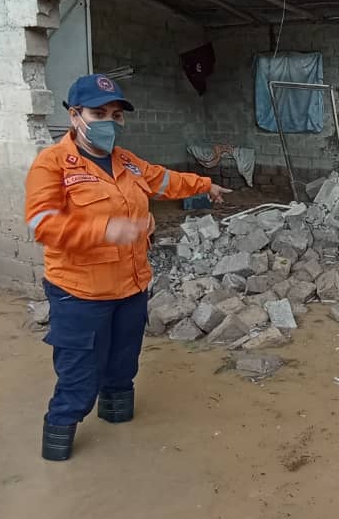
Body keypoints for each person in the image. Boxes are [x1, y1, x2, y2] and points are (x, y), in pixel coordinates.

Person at [24, 74, 230, 461]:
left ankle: (121, 436)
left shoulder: (126, 162)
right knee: (79, 376)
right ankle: (59, 448)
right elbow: (42, 224)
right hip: (80, 293)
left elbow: (164, 180)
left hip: (131, 288)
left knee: (123, 365)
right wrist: (106, 228)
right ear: (74, 115)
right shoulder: (51, 165)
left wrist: (204, 185)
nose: (107, 122)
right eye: (97, 113)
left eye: (115, 114)